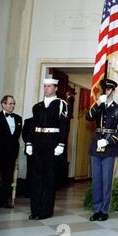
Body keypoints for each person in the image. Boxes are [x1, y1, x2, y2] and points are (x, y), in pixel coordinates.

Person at [25, 77, 68, 220]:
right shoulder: (37, 106)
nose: (46, 89)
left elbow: (64, 126)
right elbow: (32, 125)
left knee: (49, 178)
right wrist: (29, 143)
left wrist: (61, 144)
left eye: (49, 86)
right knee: (36, 177)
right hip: (37, 142)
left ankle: (45, 211)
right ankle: (35, 210)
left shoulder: (61, 104)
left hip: (52, 143)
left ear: (55, 88)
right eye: (45, 86)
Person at [86, 79, 118, 222]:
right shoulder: (99, 106)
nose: (106, 92)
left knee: (106, 180)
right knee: (96, 180)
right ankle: (96, 210)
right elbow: (88, 117)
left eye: (109, 89)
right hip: (96, 146)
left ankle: (104, 210)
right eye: (104, 89)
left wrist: (108, 140)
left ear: (113, 91)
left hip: (110, 148)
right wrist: (97, 104)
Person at [0, 95, 22, 209]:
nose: (12, 106)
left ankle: (3, 200)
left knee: (7, 178)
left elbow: (16, 137)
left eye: (13, 103)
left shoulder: (18, 119)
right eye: (10, 103)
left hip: (11, 154)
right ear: (3, 104)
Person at [21, 117, 34, 198]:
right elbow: (24, 135)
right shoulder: (28, 121)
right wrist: (30, 145)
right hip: (31, 150)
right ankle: (29, 191)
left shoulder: (47, 119)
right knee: (30, 171)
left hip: (43, 151)